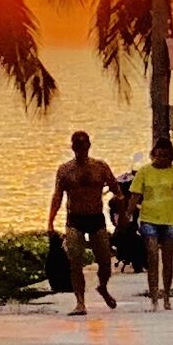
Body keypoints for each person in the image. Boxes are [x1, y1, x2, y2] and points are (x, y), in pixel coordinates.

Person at [47, 129, 125, 313]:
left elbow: (117, 191)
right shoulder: (65, 170)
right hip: (75, 219)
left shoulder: (100, 167)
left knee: (105, 261)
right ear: (73, 147)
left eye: (84, 144)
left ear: (89, 145)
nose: (81, 148)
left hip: (96, 218)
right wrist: (50, 222)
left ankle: (103, 287)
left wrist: (122, 216)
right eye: (77, 145)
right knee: (75, 261)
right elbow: (57, 197)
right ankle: (80, 302)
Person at [131, 138, 173, 301]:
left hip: (169, 219)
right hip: (149, 218)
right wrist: (127, 214)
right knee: (153, 256)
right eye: (158, 155)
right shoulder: (144, 172)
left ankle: (166, 294)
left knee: (167, 259)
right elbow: (135, 195)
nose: (161, 159)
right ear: (153, 155)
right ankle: (154, 293)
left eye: (165, 156)